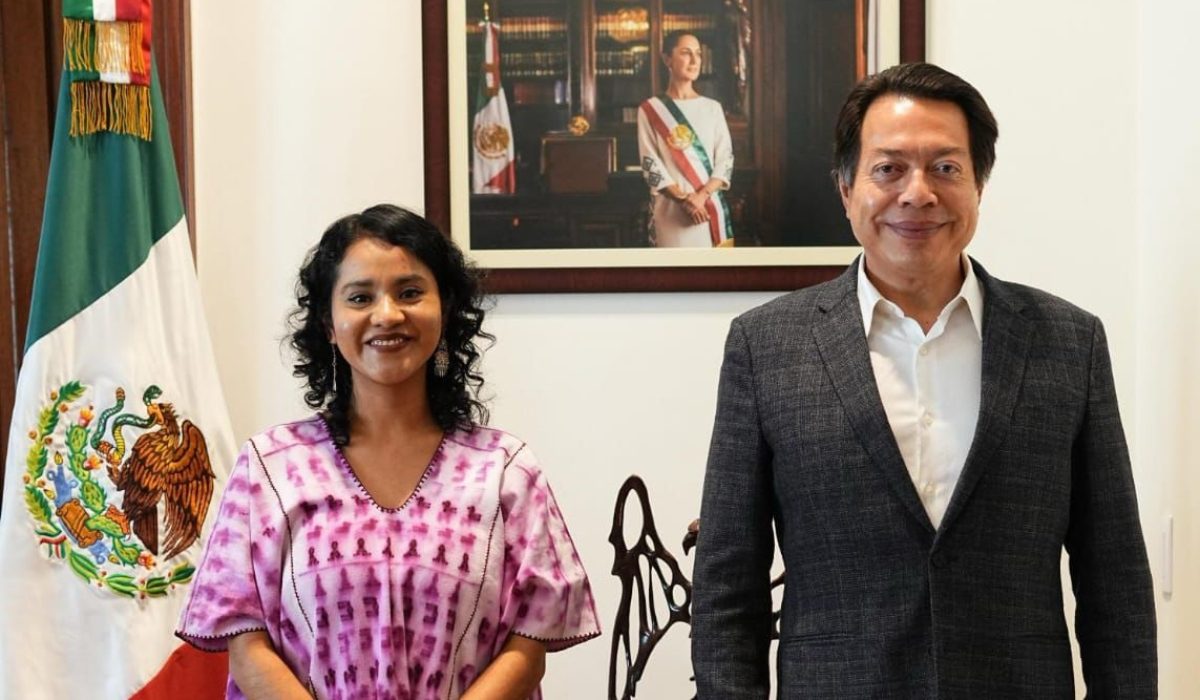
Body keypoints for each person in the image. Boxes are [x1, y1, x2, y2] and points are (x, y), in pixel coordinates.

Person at [690, 63, 1156, 698]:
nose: (918, 193)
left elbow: (1115, 581)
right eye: (888, 169)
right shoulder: (766, 346)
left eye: (945, 168)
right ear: (846, 188)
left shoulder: (1069, 343)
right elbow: (727, 588)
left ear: (979, 185)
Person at [176, 204, 601, 699]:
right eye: (360, 297)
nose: (387, 314)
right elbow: (245, 642)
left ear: (445, 308)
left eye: (410, 292)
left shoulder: (505, 470)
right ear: (328, 323)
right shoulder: (270, 468)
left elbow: (529, 642)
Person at [637, 30, 735, 248]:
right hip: (671, 212)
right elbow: (650, 163)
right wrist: (683, 200)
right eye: (686, 53)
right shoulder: (650, 109)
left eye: (698, 53)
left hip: (707, 208)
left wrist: (701, 197)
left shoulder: (712, 108)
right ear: (667, 59)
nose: (694, 60)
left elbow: (725, 159)